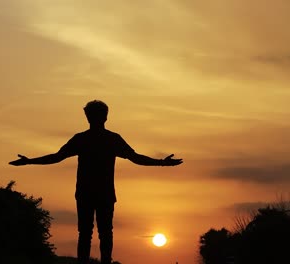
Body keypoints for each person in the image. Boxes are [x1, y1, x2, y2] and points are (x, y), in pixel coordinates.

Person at [9, 100, 183, 264]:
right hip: (99, 193)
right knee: (102, 233)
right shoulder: (108, 139)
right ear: (105, 117)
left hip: (89, 193)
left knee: (88, 234)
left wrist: (29, 161)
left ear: (89, 117)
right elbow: (136, 158)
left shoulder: (85, 139)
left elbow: (56, 157)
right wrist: (162, 163)